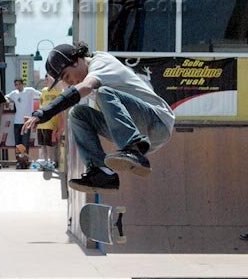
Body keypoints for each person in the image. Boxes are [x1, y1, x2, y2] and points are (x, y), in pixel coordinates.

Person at [22, 42, 175, 193]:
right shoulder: (87, 72)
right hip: (143, 134)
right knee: (78, 114)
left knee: (103, 92)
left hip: (157, 120)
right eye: (65, 80)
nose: (69, 82)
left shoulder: (101, 62)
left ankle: (133, 149)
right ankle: (102, 173)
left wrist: (44, 112)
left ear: (76, 61)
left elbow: (85, 87)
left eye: (67, 76)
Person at [5, 78, 41, 166]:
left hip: (26, 121)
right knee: (18, 143)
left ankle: (25, 161)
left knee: (25, 143)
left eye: (19, 84)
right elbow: (5, 97)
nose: (18, 86)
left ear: (22, 84)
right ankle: (19, 161)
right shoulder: (14, 93)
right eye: (16, 84)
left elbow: (41, 95)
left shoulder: (29, 90)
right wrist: (7, 101)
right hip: (17, 121)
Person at [36, 74, 65, 169]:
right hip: (42, 122)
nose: (47, 80)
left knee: (50, 144)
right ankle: (45, 161)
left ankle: (52, 161)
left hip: (52, 121)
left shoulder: (58, 90)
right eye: (46, 79)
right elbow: (41, 103)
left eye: (48, 78)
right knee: (42, 144)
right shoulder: (44, 91)